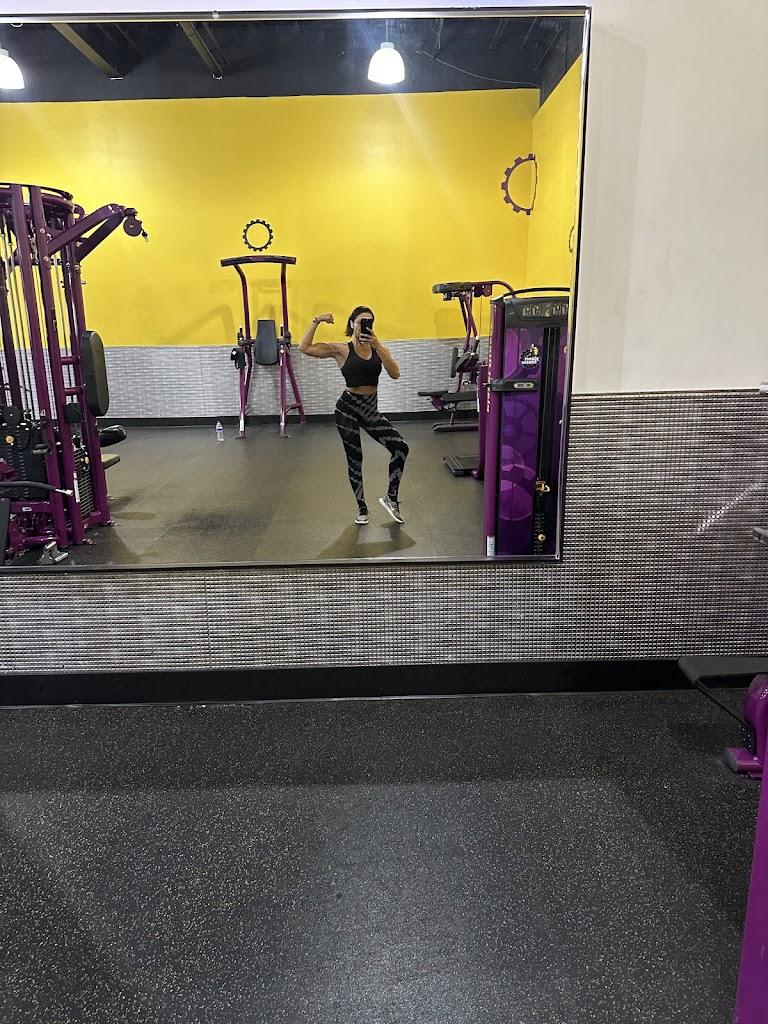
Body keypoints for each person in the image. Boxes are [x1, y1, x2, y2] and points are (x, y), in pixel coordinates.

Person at [298, 305, 409, 525]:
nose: (365, 326)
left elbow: (395, 374)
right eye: (361, 322)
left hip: (370, 411)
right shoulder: (341, 349)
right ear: (352, 324)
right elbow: (304, 347)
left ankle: (391, 498)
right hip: (347, 410)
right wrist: (317, 320)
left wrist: (378, 346)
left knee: (401, 448)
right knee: (355, 460)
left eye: (369, 322)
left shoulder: (379, 349)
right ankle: (362, 508)